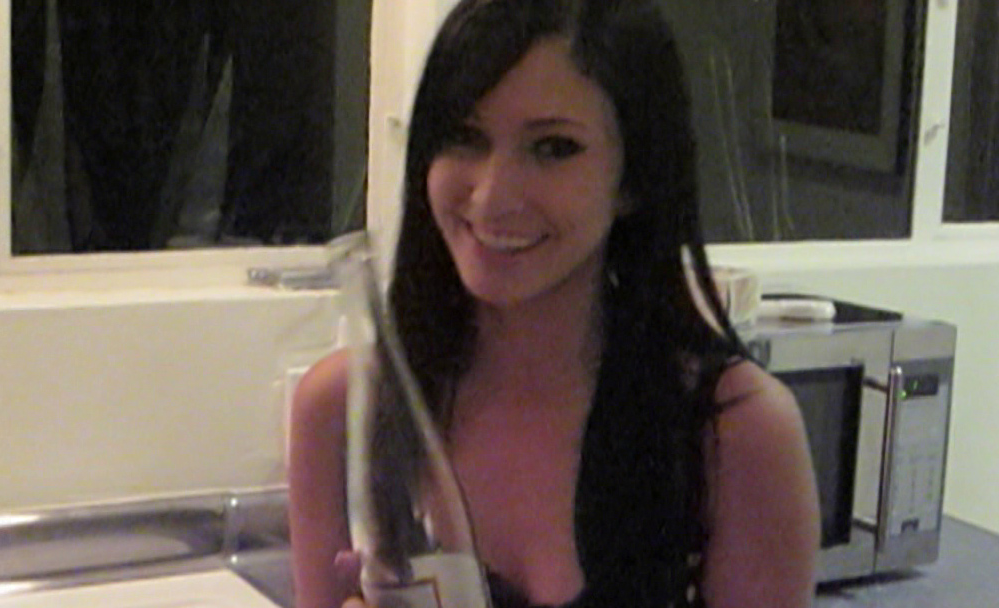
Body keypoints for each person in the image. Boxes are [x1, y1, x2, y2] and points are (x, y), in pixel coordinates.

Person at [287, 1, 821, 607]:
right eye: (464, 137)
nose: (492, 197)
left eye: (552, 148)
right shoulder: (344, 411)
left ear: (633, 178)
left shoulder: (735, 432)